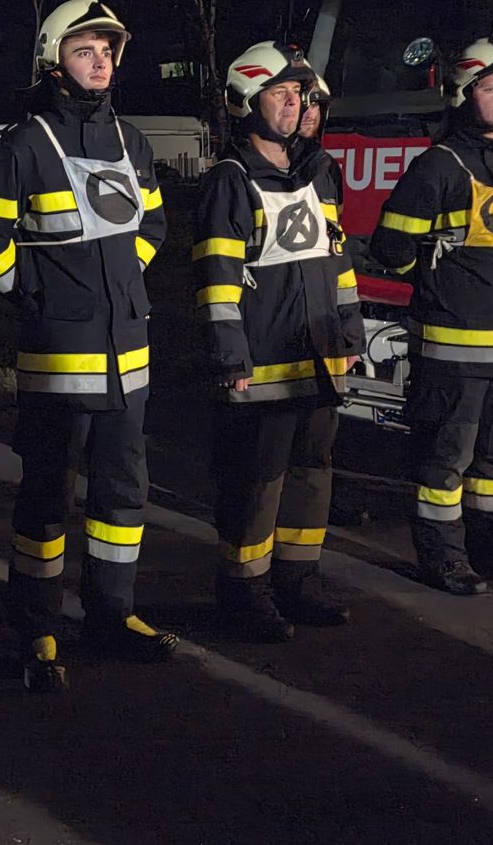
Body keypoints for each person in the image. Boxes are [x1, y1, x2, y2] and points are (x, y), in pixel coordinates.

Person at [0, 0, 172, 693]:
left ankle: (113, 614)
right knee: (45, 499)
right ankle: (36, 626)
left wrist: (121, 282)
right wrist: (40, 297)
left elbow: (156, 228)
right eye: (86, 49)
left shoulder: (131, 141)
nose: (101, 61)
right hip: (57, 361)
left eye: (108, 50)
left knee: (121, 498)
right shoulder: (25, 146)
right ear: (55, 62)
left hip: (128, 364)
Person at [369, 36, 493, 594]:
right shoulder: (435, 168)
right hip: (452, 354)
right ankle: (442, 558)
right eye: (490, 89)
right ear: (461, 96)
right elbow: (390, 251)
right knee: (445, 464)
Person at [193, 41, 363, 641]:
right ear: (247, 102)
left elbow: (337, 264)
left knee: (313, 471)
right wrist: (229, 357)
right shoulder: (229, 182)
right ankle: (244, 591)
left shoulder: (316, 174)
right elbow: (216, 283)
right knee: (255, 482)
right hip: (261, 365)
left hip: (319, 356)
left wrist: (350, 332)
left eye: (300, 94)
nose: (293, 105)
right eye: (279, 94)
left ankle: (297, 581)